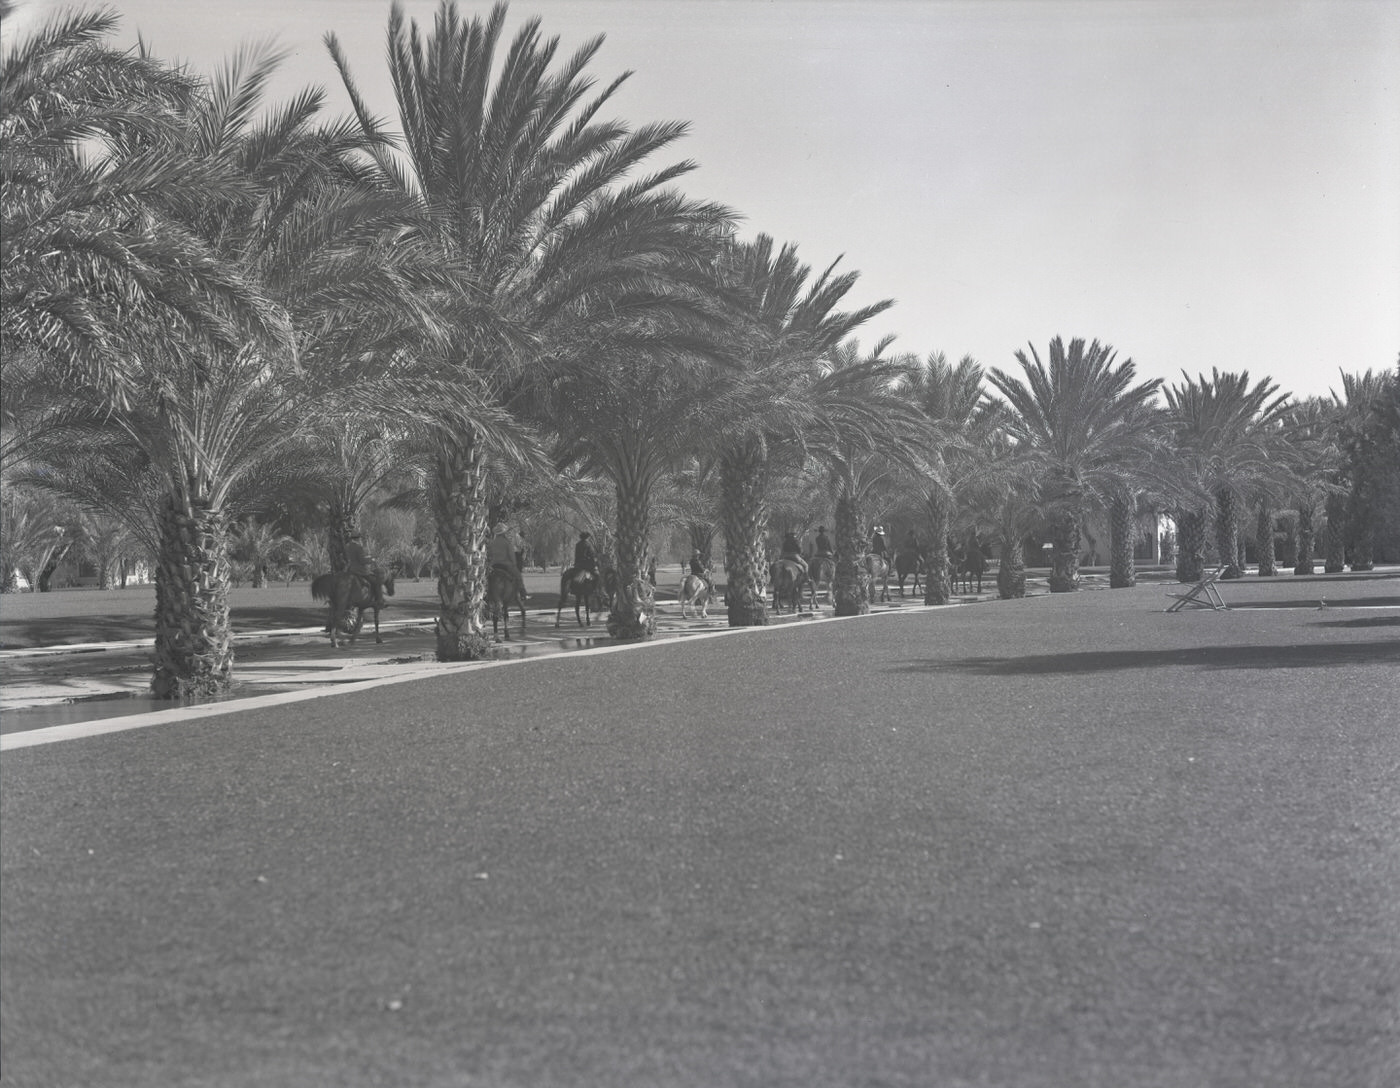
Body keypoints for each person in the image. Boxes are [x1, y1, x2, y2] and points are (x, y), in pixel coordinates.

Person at [344, 531, 387, 608]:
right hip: (360, 571)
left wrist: (368, 557)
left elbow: (352, 558)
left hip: (351, 569)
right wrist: (372, 560)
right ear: (358, 538)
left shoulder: (347, 546)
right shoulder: (359, 547)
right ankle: (380, 601)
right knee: (376, 582)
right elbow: (362, 561)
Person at [487, 522, 529, 601]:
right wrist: (514, 564)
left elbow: (489, 555)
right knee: (518, 576)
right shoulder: (507, 543)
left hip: (494, 565)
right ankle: (523, 593)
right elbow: (511, 555)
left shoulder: (492, 543)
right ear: (503, 533)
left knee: (486, 579)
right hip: (506, 565)